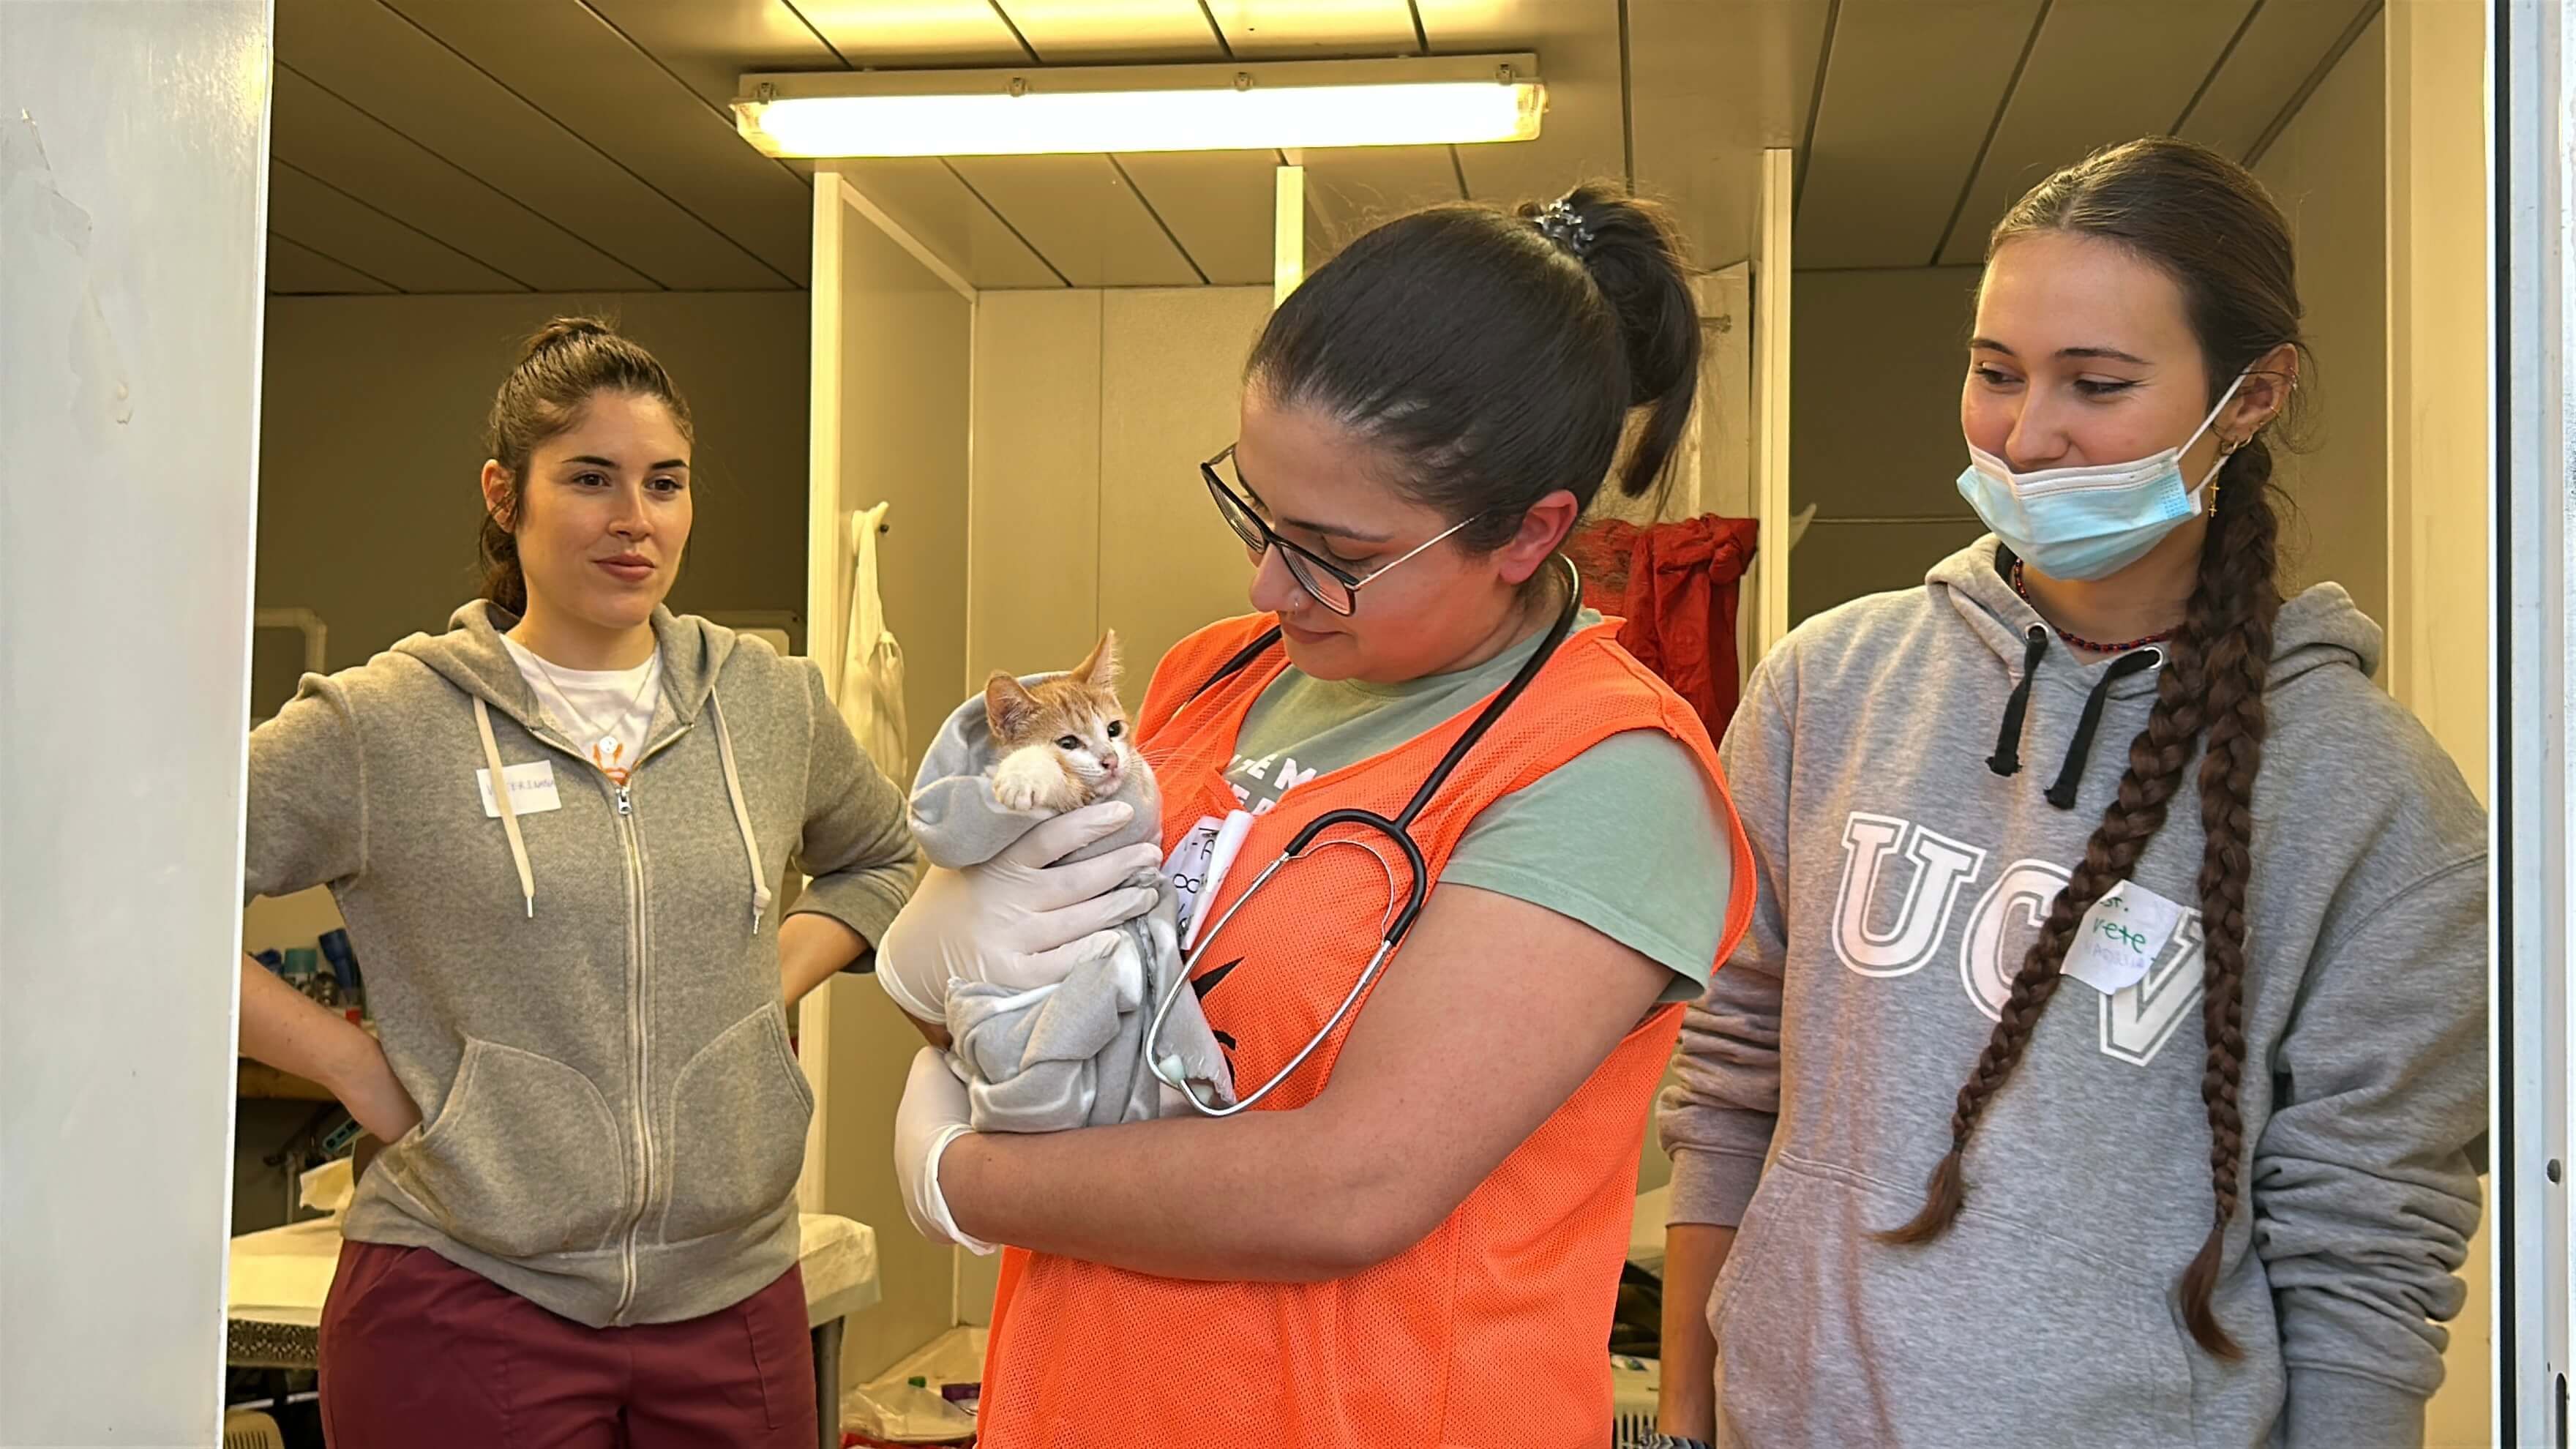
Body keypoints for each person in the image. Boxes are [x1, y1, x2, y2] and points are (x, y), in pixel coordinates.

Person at [869, 187, 1756, 1447]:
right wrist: (939, 959)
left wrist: (967, 1180)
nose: (1268, 580)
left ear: (1529, 533)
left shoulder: (1605, 773)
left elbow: (1353, 1186)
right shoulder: (1213, 676)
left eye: (1332, 547)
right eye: (1258, 512)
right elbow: (1038, 1035)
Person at [1653, 138, 2487, 1449]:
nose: (2028, 436)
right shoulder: (1832, 683)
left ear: (2252, 398)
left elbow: (2370, 1234)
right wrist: (1693, 1399)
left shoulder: (2377, 801)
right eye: (1994, 373)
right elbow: (1732, 1059)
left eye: (2096, 384)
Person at [238, 318, 919, 1445]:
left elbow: (885, 854)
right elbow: (142, 887)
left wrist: (769, 981)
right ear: (507, 497)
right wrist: (348, 1065)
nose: (633, 519)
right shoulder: (387, 723)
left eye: (665, 484)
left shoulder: (769, 704)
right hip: (464, 1298)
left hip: (732, 1298)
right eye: (591, 479)